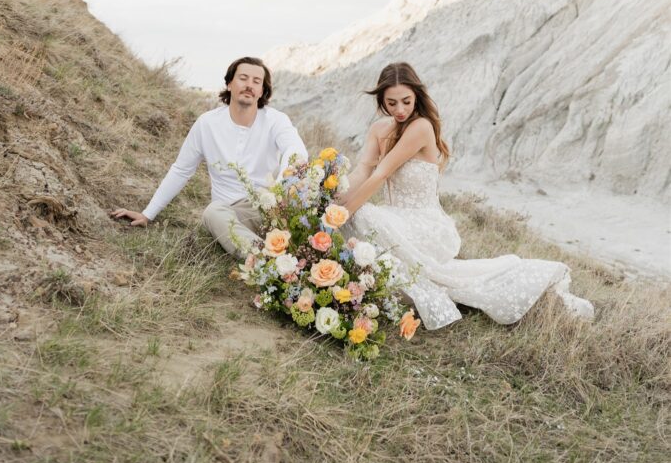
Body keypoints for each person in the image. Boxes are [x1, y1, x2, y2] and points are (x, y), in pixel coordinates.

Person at [340, 62, 594, 330]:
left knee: (361, 213)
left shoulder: (421, 127)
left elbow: (380, 174)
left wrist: (344, 212)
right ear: (381, 101)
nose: (400, 110)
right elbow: (362, 171)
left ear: (417, 96)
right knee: (356, 214)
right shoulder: (378, 129)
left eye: (406, 101)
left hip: (426, 226)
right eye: (392, 103)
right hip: (397, 218)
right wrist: (334, 201)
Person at [111, 57, 308, 254]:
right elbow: (181, 170)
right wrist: (147, 214)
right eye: (243, 78)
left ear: (262, 91)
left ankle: (287, 254)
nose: (249, 85)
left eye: (256, 81)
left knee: (327, 203)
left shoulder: (276, 120)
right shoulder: (207, 124)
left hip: (268, 207)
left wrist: (282, 190)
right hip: (227, 214)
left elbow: (296, 151)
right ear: (229, 83)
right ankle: (268, 264)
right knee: (212, 213)